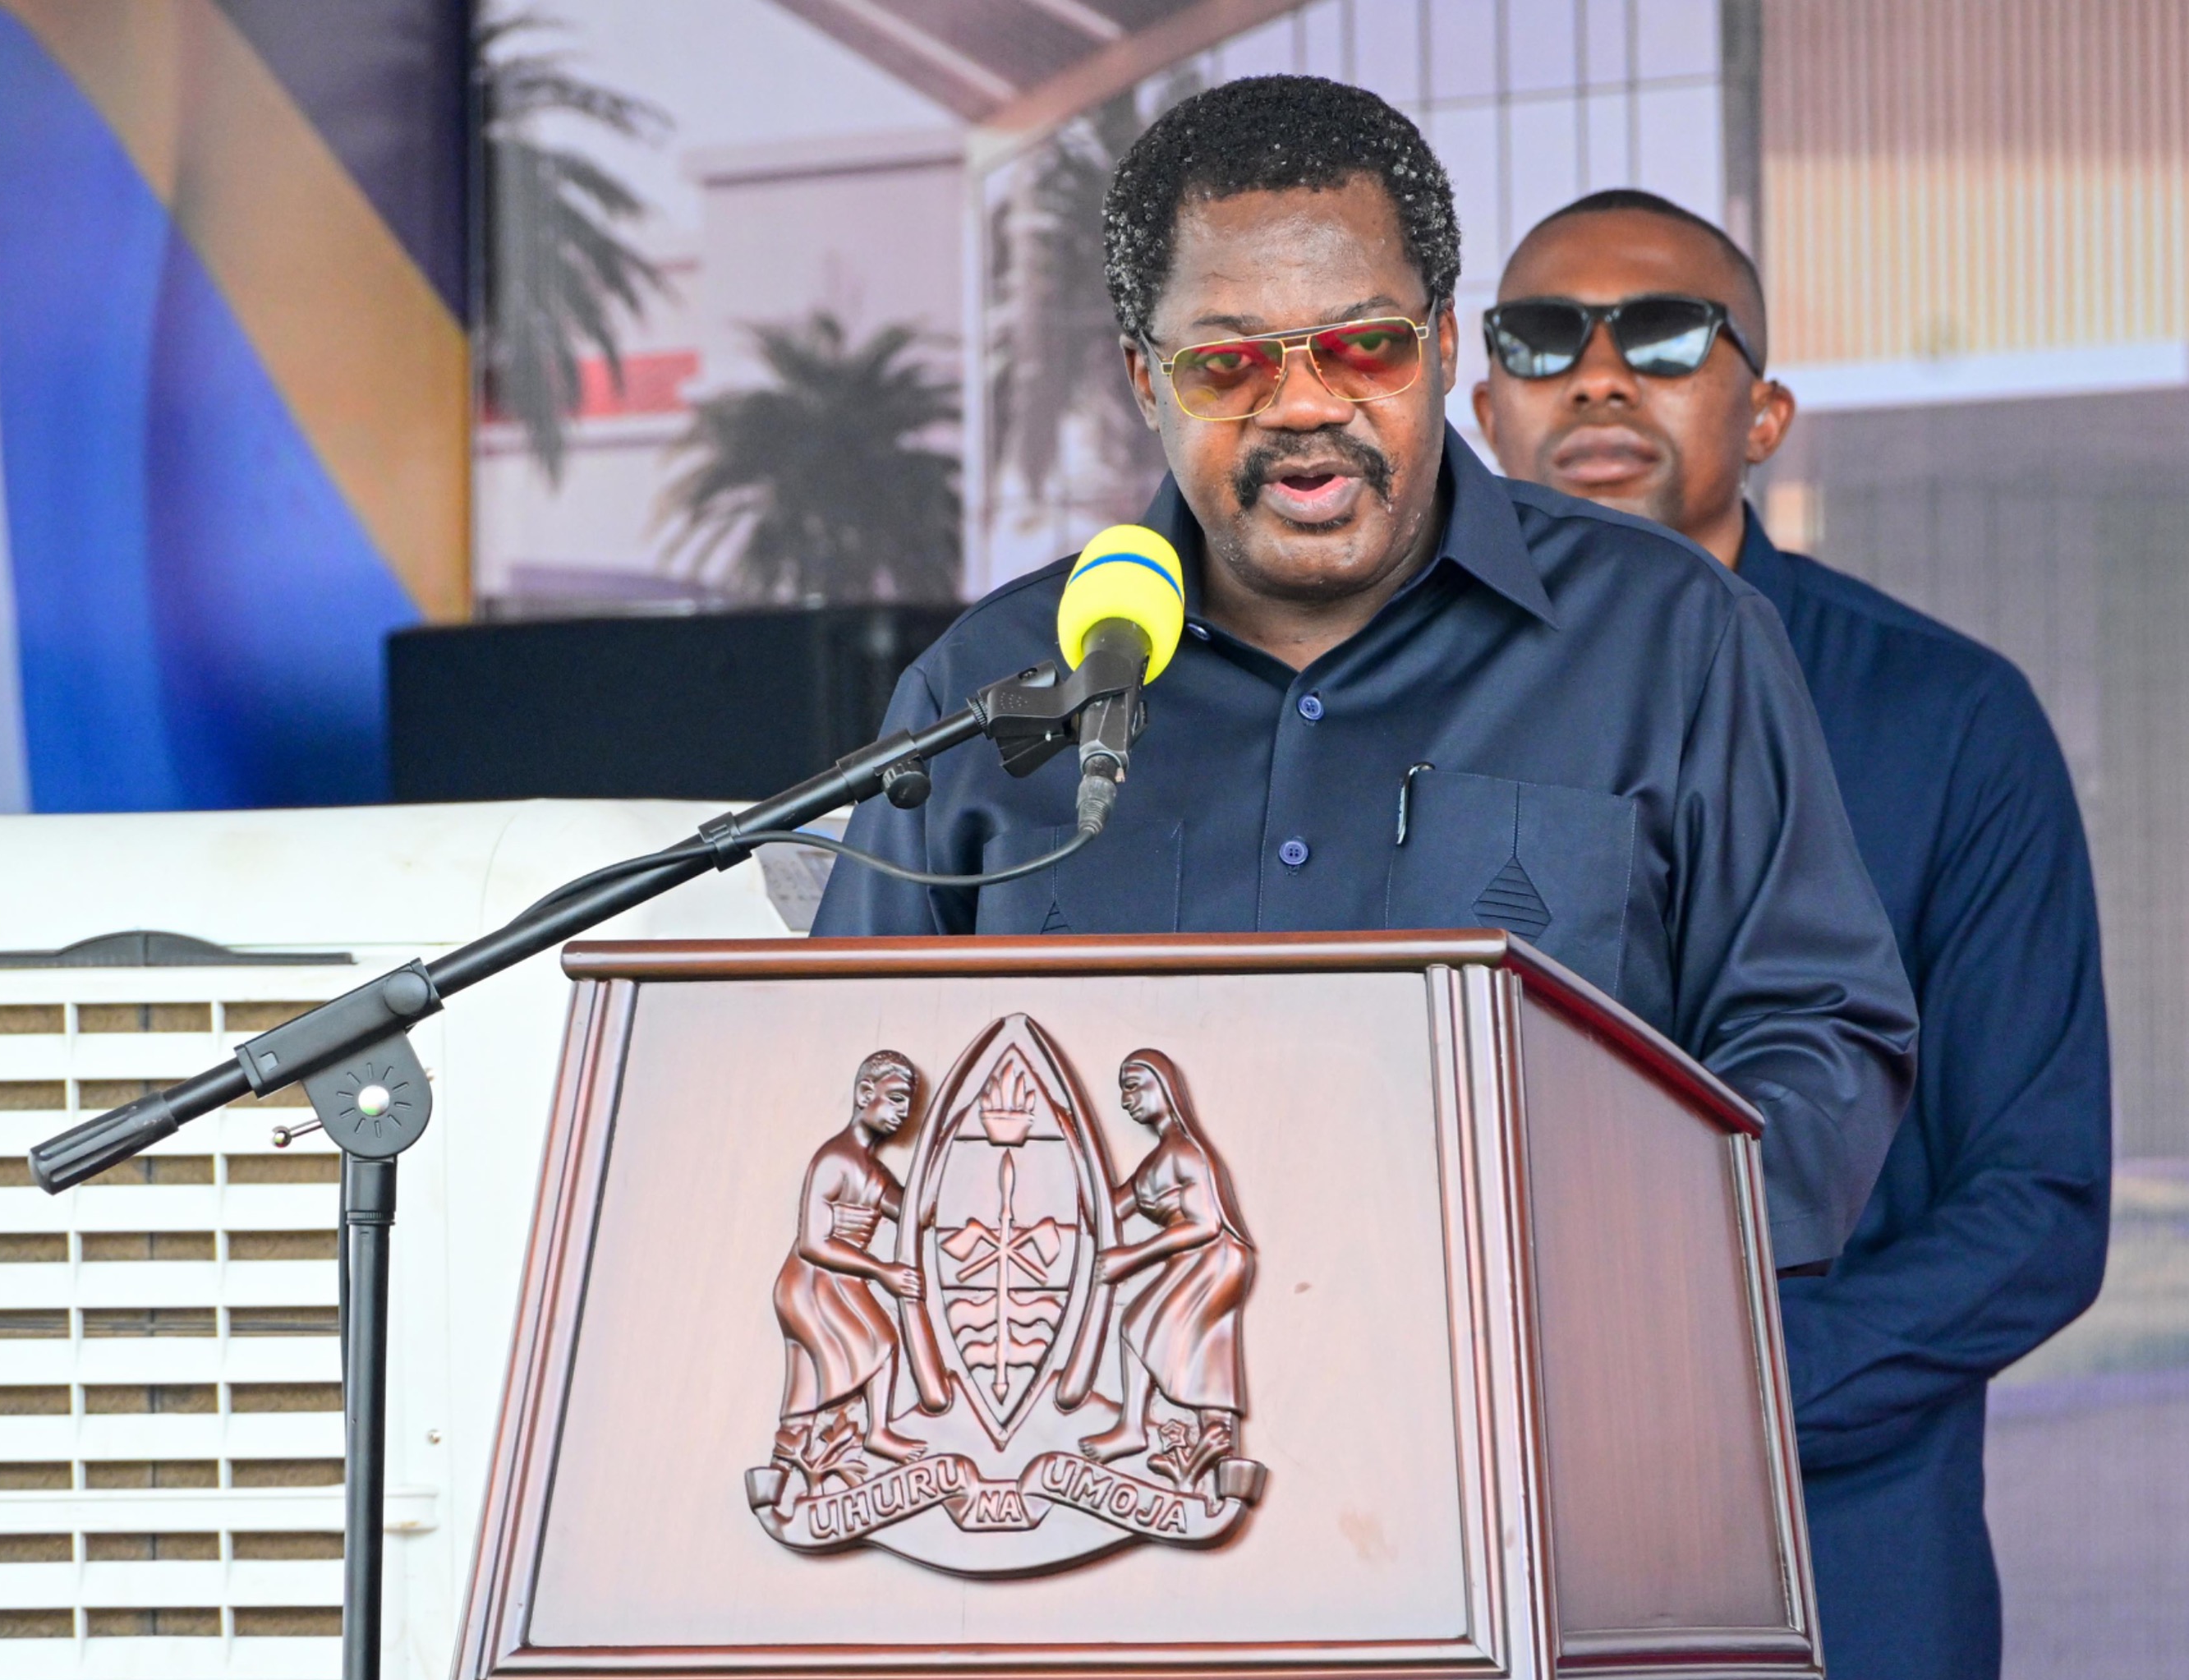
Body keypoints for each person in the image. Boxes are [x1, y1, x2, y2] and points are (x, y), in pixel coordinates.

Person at [814, 77, 1917, 1280]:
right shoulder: (987, 686)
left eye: (1363, 345)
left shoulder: (1670, 637)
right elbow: (853, 1080)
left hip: (1539, 1351)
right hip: (1103, 1380)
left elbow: (1816, 1034)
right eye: (1228, 364)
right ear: (1144, 379)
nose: (1303, 405)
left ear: (1441, 345)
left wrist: (1612, 1260)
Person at [1472, 189, 2109, 1680]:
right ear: (1483, 410)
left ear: (1761, 413)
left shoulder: (1946, 718)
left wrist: (1706, 1404)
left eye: (1662, 334)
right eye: (1542, 338)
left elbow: (2036, 1207)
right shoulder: (1367, 726)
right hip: (1464, 1662)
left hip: (1842, 1660)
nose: (1597, 374)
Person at [772, 1049, 945, 1494]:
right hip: (812, 1279)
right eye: (896, 1098)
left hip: (841, 1278)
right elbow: (813, 1243)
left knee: (842, 1360)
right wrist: (882, 1271)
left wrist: (941, 1152)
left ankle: (784, 1469)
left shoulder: (872, 1169)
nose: (903, 1112)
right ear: (866, 1093)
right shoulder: (834, 1160)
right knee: (877, 1342)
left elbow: (915, 1214)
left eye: (909, 1104)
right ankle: (872, 1434)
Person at [1082, 1050, 1256, 1489]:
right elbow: (1108, 1209)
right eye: (1123, 1091)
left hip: (1215, 1256)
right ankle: (1177, 1433)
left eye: (1133, 1086)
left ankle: (1151, 1431)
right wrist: (1074, 1150)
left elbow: (1205, 1224)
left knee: (1155, 1328)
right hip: (1193, 1258)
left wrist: (1132, 1257)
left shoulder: (1188, 1153)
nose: (1126, 1101)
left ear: (1163, 1088)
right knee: (1153, 1330)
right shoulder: (1157, 1160)